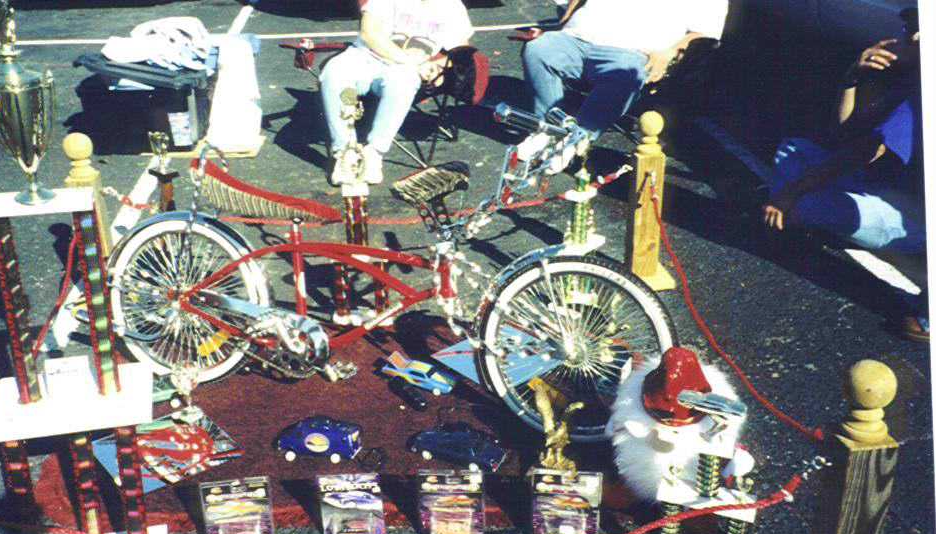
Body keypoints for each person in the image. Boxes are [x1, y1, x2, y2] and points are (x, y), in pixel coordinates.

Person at [762, 20, 926, 341]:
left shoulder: (921, 95)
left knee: (801, 203)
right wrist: (853, 77)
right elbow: (843, 134)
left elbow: (860, 153)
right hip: (885, 189)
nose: (915, 36)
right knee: (793, 148)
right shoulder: (910, 80)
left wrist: (789, 195)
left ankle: (928, 305)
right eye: (911, 28)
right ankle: (823, 217)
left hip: (915, 218)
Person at [521, 0, 728, 150]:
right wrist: (557, 28)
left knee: (626, 76)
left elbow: (706, 33)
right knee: (538, 50)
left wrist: (671, 52)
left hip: (631, 52)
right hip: (577, 37)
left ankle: (576, 140)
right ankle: (548, 129)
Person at [319, 0, 473, 185]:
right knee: (334, 73)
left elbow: (459, 52)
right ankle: (345, 152)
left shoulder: (453, 7)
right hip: (365, 56)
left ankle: (374, 153)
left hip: (405, 69)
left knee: (404, 80)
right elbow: (369, 33)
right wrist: (414, 63)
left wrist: (438, 67)